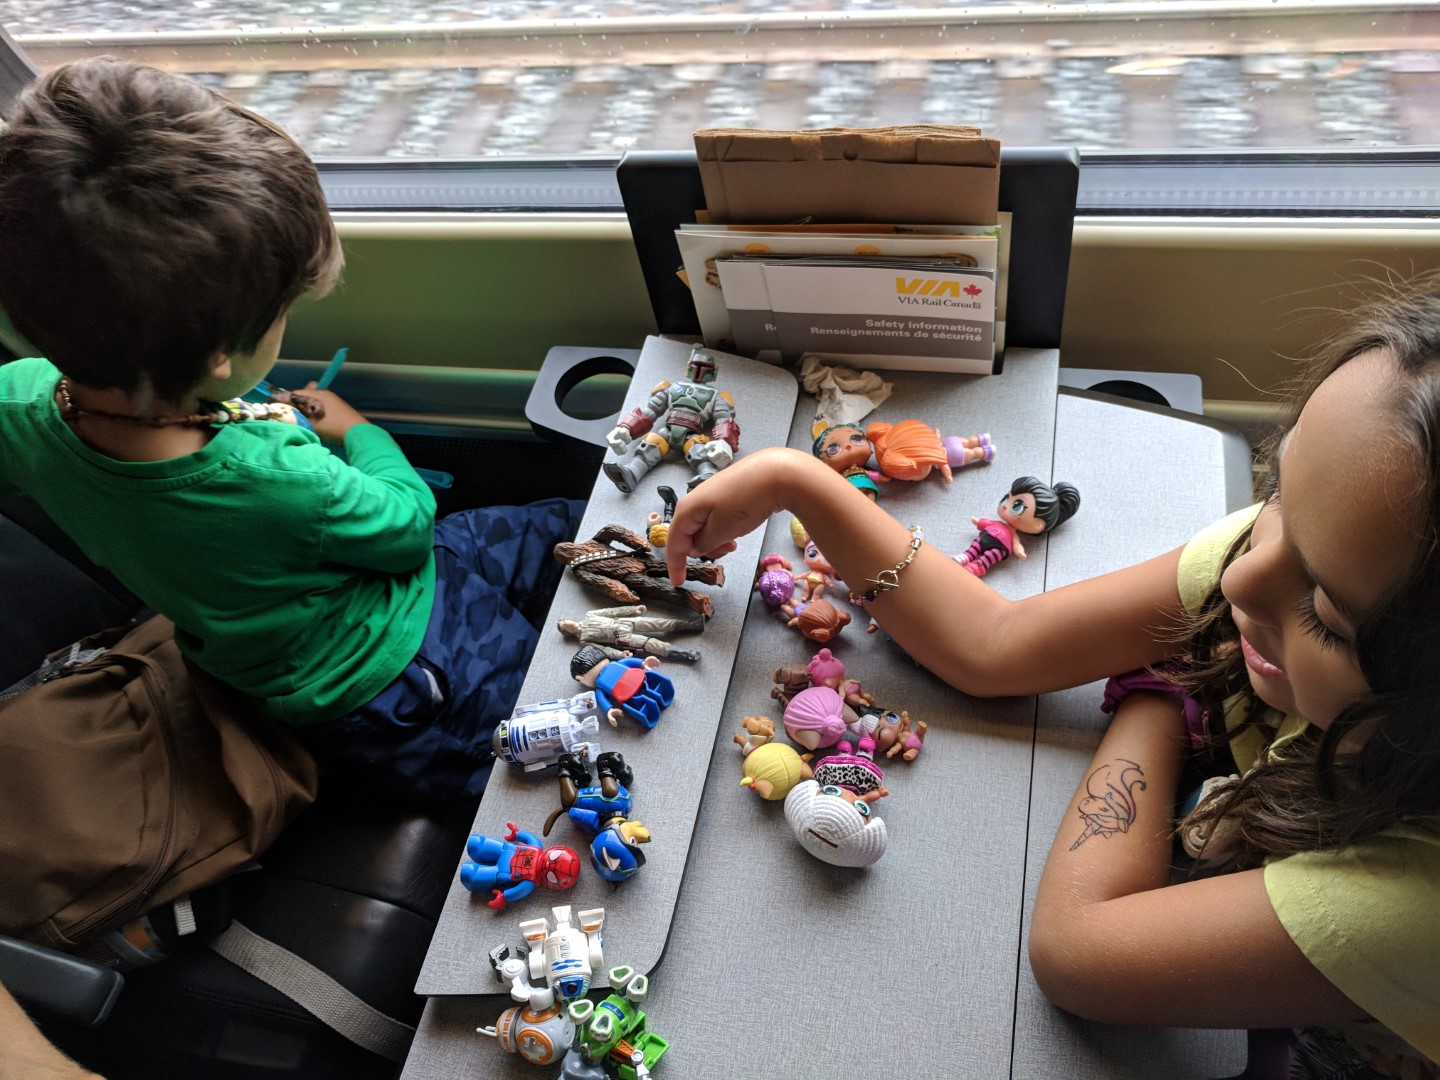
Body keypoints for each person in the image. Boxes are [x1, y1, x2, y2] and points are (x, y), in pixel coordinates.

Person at [663, 279, 1440, 1076]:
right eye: (1275, 491)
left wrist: (1160, 695)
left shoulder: (1420, 903)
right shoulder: (1299, 548)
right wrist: (800, 481)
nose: (1241, 580)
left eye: (1324, 617)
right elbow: (995, 642)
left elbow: (1081, 954)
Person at [0, 58, 581, 804]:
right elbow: (406, 525)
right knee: (551, 732)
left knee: (567, 531)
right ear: (216, 359)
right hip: (390, 669)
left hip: (323, 596)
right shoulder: (270, 475)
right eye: (280, 316)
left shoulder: (18, 404)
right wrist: (358, 429)